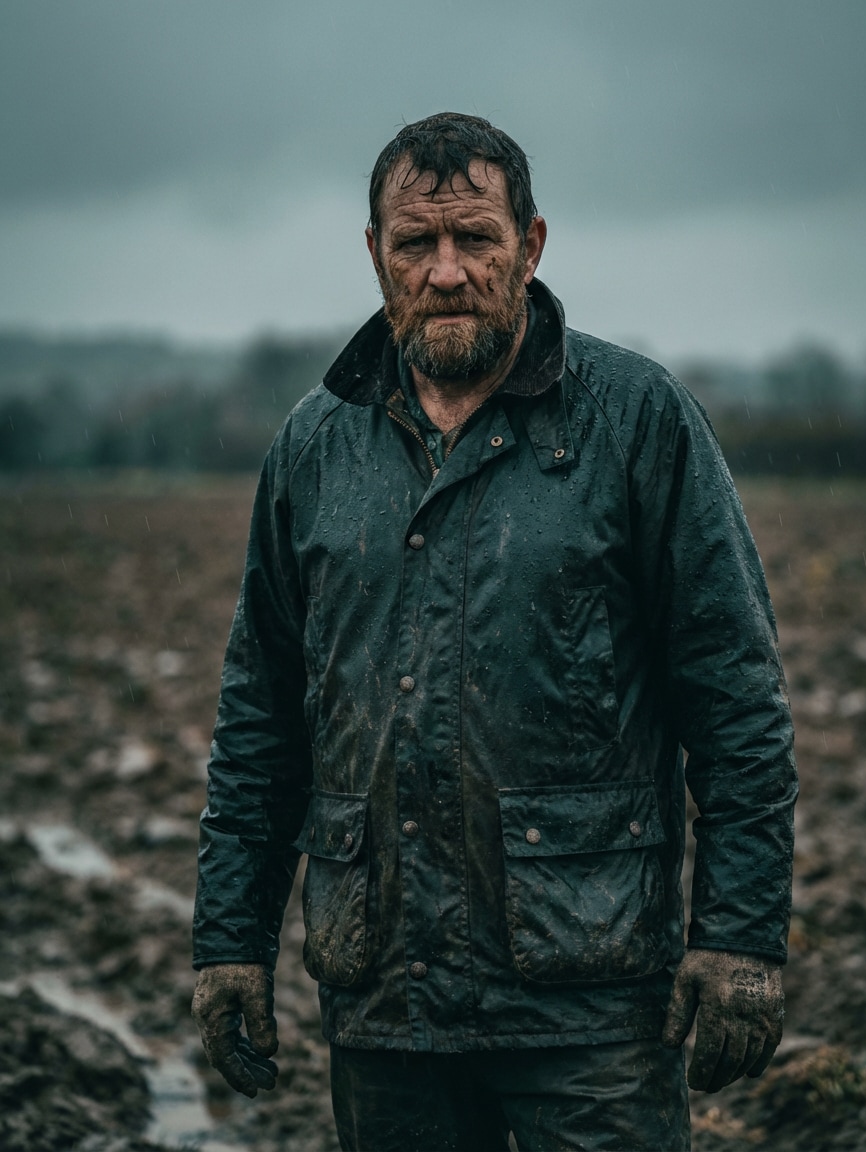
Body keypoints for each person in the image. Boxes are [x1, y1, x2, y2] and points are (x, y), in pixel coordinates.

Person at [191, 112, 798, 1152]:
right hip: (385, 1000)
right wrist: (228, 941)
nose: (445, 272)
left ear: (533, 244)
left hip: (592, 1004)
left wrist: (738, 937)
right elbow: (261, 719)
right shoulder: (313, 448)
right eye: (414, 243)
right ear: (372, 253)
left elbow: (736, 703)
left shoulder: (639, 423)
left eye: (476, 238)